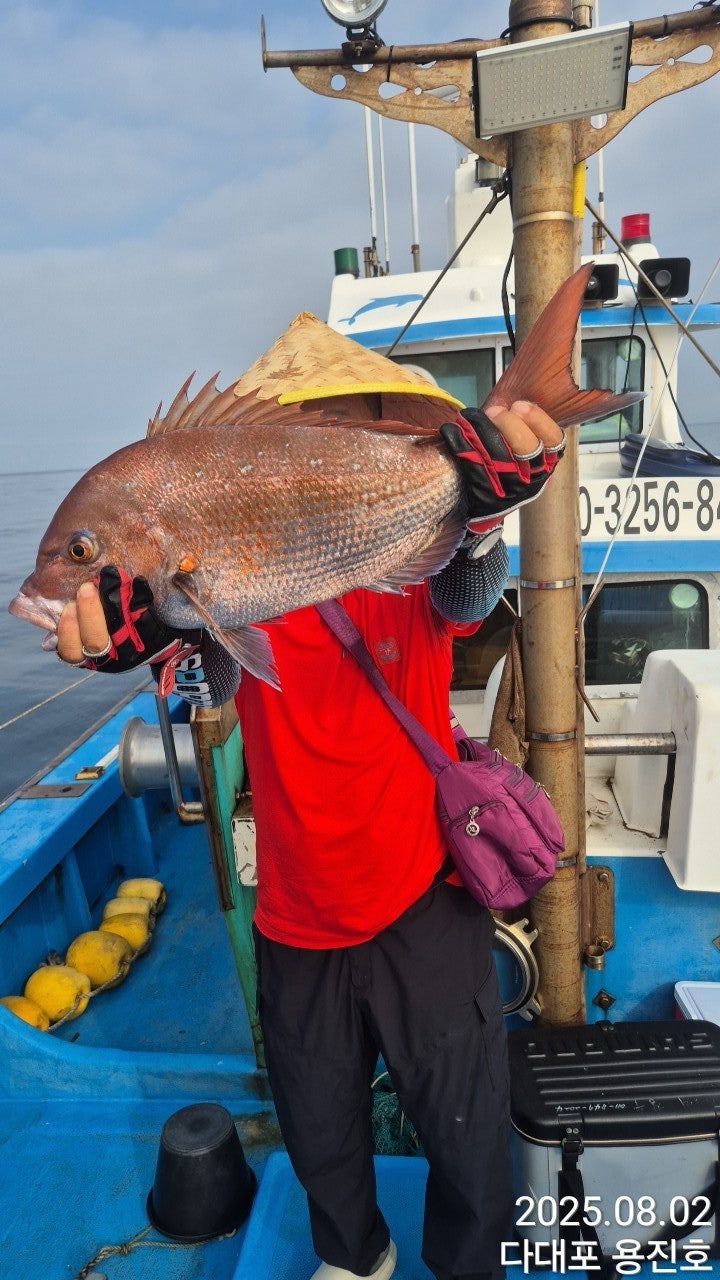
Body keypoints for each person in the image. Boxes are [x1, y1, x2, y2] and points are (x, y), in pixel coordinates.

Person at [57, 399, 564, 1280]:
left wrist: (485, 523)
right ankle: (355, 1255)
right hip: (297, 909)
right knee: (316, 1119)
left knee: (466, 1120)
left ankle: (471, 1264)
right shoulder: (241, 563)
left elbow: (468, 597)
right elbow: (214, 689)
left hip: (420, 890)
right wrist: (163, 640)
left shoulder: (406, 552)